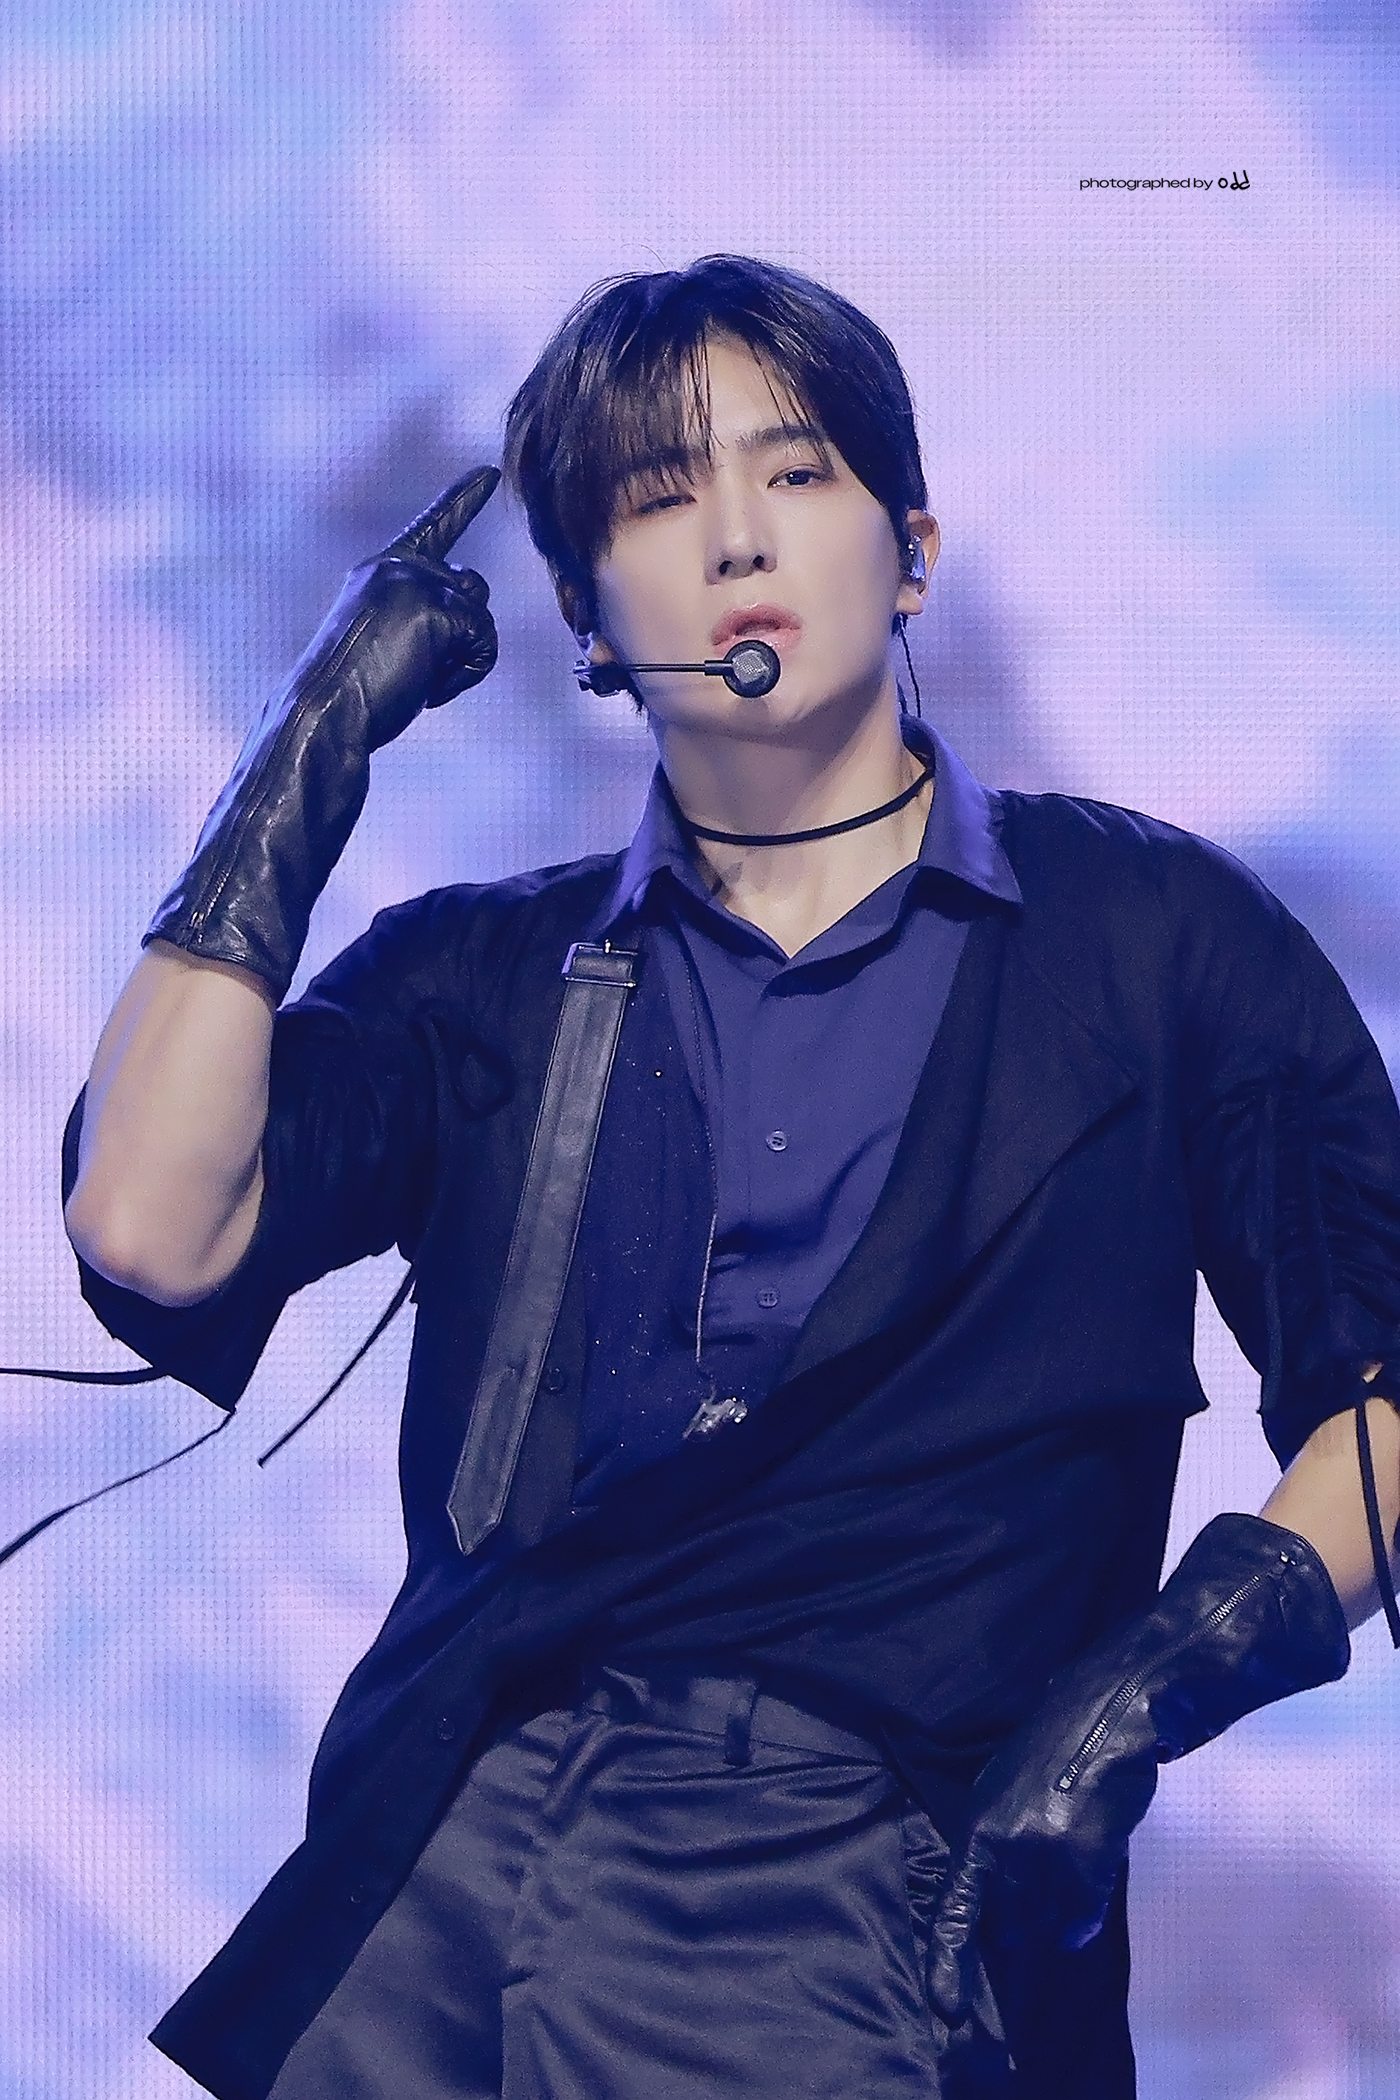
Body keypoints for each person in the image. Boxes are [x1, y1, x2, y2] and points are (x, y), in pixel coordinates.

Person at [63, 255, 1400, 2100]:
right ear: (586, 617)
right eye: (660, 495)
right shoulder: (482, 972)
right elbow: (148, 1221)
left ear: (911, 550)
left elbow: (1383, 1390)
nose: (739, 534)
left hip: (845, 1872)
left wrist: (1155, 1682)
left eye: (796, 470)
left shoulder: (1155, 934)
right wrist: (311, 745)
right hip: (434, 1858)